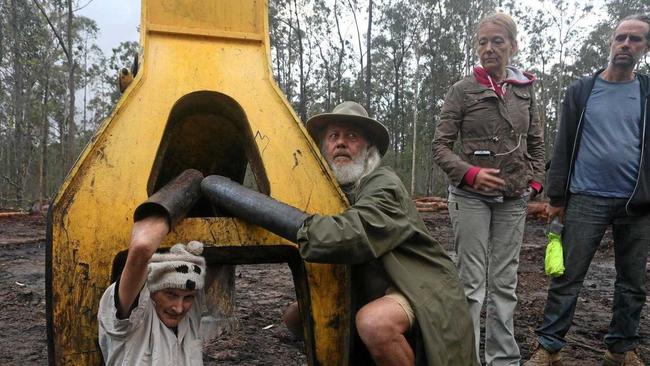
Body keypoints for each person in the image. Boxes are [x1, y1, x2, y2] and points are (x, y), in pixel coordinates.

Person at [200, 101, 477, 366]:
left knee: (374, 324)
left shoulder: (383, 183)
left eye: (352, 136)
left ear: (368, 148)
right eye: (333, 136)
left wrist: (274, 215)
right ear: (323, 147)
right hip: (368, 285)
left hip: (415, 283)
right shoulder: (326, 191)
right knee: (295, 319)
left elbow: (351, 234)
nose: (341, 142)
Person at [525, 14, 650, 366]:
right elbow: (564, 144)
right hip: (585, 197)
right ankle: (549, 347)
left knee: (632, 283)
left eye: (636, 39)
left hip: (636, 202)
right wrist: (556, 197)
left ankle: (620, 350)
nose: (626, 44)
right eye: (621, 37)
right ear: (611, 42)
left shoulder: (646, 91)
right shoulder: (582, 90)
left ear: (645, 47)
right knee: (568, 276)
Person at [432, 12, 545, 366]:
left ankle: (503, 359)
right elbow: (440, 146)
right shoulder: (462, 91)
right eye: (482, 42)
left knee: (504, 282)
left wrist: (535, 182)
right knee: (470, 282)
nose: (489, 49)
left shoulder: (525, 90)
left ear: (512, 45)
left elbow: (537, 143)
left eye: (497, 41)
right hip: (469, 198)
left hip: (513, 200)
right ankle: (466, 357)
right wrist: (469, 174)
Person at [98, 171, 209, 365]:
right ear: (152, 289)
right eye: (171, 294)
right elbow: (142, 246)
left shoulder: (189, 318)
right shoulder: (131, 321)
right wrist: (194, 179)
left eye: (188, 297)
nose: (179, 308)